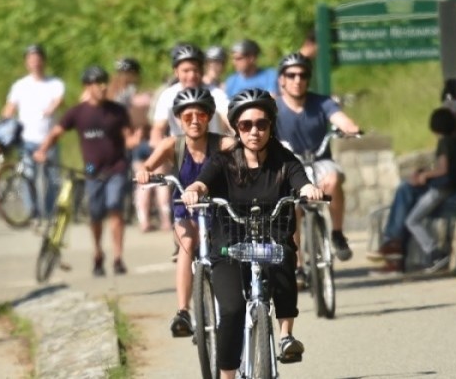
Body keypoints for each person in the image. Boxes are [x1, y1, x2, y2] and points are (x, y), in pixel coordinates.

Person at [181, 89, 324, 374]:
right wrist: (194, 190)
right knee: (232, 310)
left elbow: (300, 180)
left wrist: (308, 189)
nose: (254, 131)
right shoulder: (223, 160)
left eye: (262, 124)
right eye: (246, 125)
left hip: (272, 241)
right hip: (229, 248)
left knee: (285, 258)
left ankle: (285, 336)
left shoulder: (284, 159)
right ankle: (227, 374)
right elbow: (203, 182)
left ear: (271, 126)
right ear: (236, 128)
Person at [135, 87, 236, 337]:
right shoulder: (173, 145)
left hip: (219, 211)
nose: (194, 121)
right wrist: (144, 172)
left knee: (229, 249)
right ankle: (183, 311)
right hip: (186, 210)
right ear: (178, 118)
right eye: (187, 116)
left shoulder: (222, 143)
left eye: (201, 115)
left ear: (209, 116)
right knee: (187, 243)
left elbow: (244, 152)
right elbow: (147, 164)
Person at [34, 66, 136, 276]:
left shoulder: (117, 110)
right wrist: (42, 151)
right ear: (87, 87)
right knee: (96, 214)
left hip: (116, 166)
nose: (102, 86)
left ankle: (118, 257)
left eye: (104, 82)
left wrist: (138, 140)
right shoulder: (78, 113)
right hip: (91, 168)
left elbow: (129, 137)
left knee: (114, 206)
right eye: (97, 83)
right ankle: (98, 253)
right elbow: (56, 133)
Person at [372, 106, 456, 273]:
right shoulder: (454, 141)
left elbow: (449, 171)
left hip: (449, 191)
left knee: (412, 216)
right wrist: (424, 174)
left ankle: (405, 249)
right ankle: (394, 247)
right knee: (406, 190)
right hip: (443, 188)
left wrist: (425, 177)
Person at [275, 53, 359, 265]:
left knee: (333, 178)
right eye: (291, 75)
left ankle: (338, 234)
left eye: (302, 75)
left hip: (320, 160)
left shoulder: (321, 103)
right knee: (290, 205)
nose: (297, 80)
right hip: (289, 164)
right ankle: (297, 264)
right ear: (282, 79)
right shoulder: (274, 107)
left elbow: (340, 119)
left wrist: (349, 128)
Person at [2, 44, 65, 222]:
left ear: (44, 61)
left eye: (38, 59)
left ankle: (51, 212)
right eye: (31, 59)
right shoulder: (20, 86)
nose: (35, 63)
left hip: (49, 138)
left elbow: (59, 100)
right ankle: (33, 213)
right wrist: (3, 126)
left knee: (52, 178)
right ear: (26, 63)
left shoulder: (55, 83)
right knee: (28, 177)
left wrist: (51, 109)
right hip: (26, 139)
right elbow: (9, 108)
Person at [108, 57, 164, 233]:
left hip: (128, 138)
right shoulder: (123, 93)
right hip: (127, 137)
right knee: (132, 176)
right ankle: (134, 212)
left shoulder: (118, 91)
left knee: (134, 177)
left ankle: (135, 213)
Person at [150, 43, 230, 147]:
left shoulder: (216, 93)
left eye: (195, 70)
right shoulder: (168, 95)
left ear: (202, 71)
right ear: (176, 72)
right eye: (186, 71)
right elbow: (158, 128)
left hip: (213, 152)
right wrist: (158, 146)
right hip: (180, 153)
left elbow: (229, 118)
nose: (191, 75)